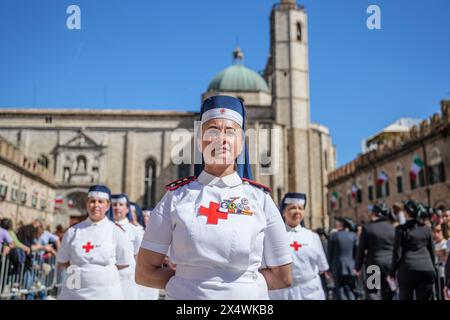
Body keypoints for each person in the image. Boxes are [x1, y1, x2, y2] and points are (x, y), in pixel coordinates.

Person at [136, 95, 292, 300]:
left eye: (231, 131)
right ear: (200, 142)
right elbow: (145, 272)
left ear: (241, 145)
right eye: (213, 130)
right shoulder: (175, 197)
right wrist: (188, 285)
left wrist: (244, 286)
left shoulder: (261, 200)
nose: (222, 139)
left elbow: (283, 276)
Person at [56, 185, 132, 300]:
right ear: (87, 204)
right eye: (92, 201)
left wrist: (97, 272)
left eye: (100, 202)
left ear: (107, 206)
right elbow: (62, 261)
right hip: (74, 293)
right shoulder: (73, 231)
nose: (96, 205)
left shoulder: (116, 232)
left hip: (105, 293)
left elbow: (123, 262)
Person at [269, 193, 329, 300]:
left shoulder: (313, 237)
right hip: (283, 293)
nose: (297, 211)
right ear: (283, 212)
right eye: (292, 208)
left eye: (300, 208)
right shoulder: (274, 237)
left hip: (310, 291)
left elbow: (322, 267)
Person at [389, 200, 436, 300]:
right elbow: (432, 251)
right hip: (427, 268)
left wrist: (392, 272)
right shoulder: (426, 229)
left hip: (408, 269)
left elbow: (397, 254)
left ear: (406, 213)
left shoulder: (400, 229)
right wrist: (433, 268)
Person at [354, 203, 395, 300]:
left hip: (374, 264)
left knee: (372, 291)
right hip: (389, 264)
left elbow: (361, 249)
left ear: (374, 214)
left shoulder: (368, 228)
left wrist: (357, 267)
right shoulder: (392, 228)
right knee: (388, 291)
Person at [328, 216, 358, 300]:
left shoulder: (334, 235)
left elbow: (330, 253)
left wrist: (329, 268)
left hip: (337, 267)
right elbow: (357, 253)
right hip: (351, 267)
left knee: (340, 290)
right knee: (350, 290)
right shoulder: (353, 236)